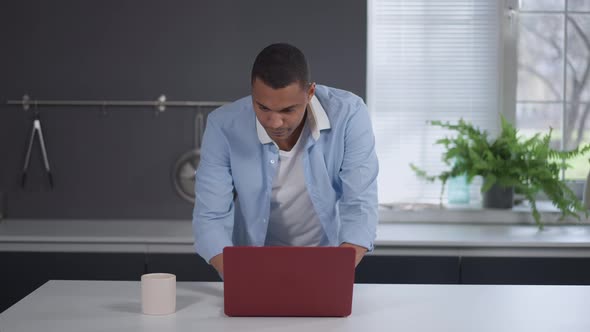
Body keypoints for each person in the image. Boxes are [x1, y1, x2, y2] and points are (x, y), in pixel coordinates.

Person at [192, 43, 378, 277]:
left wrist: (336, 275)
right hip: (253, 265)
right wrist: (239, 278)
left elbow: (360, 203)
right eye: (263, 107)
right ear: (252, 92)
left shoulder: (349, 114)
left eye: (288, 110)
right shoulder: (223, 126)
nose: (274, 122)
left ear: (310, 93)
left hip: (327, 260)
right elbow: (210, 216)